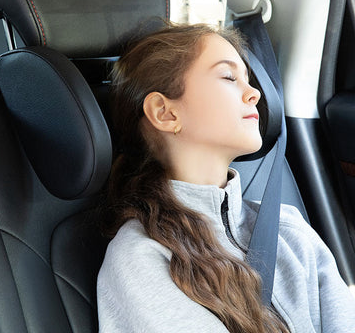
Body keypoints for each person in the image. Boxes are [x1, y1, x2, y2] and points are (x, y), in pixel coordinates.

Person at [96, 23, 355, 333]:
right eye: (229, 77)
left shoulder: (288, 230)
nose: (255, 93)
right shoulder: (143, 256)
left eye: (248, 79)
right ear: (165, 113)